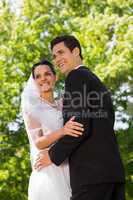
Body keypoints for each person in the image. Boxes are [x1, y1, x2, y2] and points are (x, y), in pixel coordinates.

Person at [35, 35, 125, 200]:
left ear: (76, 51)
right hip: (112, 172)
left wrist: (53, 155)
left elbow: (79, 125)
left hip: (91, 176)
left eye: (61, 52)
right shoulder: (95, 81)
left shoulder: (76, 77)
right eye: (54, 56)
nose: (57, 59)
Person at [21, 59, 84, 200]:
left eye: (47, 74)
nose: (43, 78)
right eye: (38, 76)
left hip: (69, 165)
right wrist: (62, 131)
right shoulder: (33, 109)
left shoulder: (64, 103)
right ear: (34, 81)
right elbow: (38, 142)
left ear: (55, 77)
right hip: (49, 171)